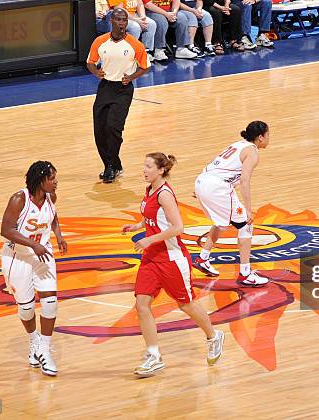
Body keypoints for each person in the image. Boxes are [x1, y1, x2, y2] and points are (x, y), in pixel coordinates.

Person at [123, 153, 225, 377]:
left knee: (186, 304)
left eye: (148, 166)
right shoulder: (150, 189)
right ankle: (153, 355)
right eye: (144, 165)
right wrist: (137, 226)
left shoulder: (165, 194)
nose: (144, 169)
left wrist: (148, 239)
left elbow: (178, 227)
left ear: (161, 170)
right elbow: (151, 216)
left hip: (172, 258)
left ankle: (213, 336)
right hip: (152, 258)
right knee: (141, 305)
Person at [0, 161, 67, 377]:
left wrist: (58, 235)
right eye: (52, 178)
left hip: (43, 253)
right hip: (17, 256)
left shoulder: (51, 197)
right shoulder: (19, 199)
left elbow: (53, 215)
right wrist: (32, 244)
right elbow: (6, 230)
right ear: (40, 180)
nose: (56, 182)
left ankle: (45, 351)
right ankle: (34, 340)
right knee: (26, 308)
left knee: (50, 301)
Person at [193, 121, 270, 287]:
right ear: (261, 137)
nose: (269, 138)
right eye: (268, 134)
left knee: (221, 223)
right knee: (245, 225)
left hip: (202, 180)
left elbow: (215, 165)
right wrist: (248, 210)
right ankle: (245, 273)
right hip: (216, 187)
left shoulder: (237, 145)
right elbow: (244, 180)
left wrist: (202, 189)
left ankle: (202, 258)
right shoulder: (252, 153)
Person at [87, 8, 150, 184]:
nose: (122, 23)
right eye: (118, 20)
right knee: (99, 130)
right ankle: (113, 164)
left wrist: (131, 77)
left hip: (123, 90)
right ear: (111, 21)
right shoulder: (100, 42)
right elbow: (90, 63)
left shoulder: (134, 44)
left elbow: (145, 66)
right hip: (105, 87)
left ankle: (110, 167)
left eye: (124, 20)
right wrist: (96, 72)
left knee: (113, 128)